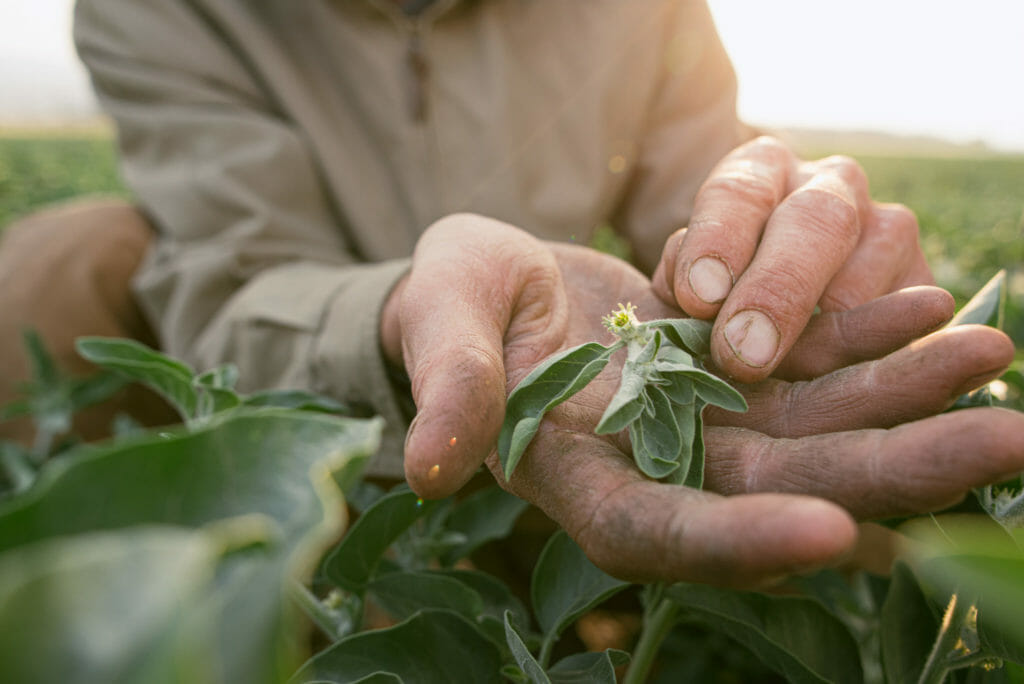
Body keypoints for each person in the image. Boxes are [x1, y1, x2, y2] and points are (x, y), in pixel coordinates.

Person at [1, 0, 1021, 587]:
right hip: (337, 378)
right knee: (61, 260)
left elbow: (703, 186)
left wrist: (779, 238)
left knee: (878, 497)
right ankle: (152, 582)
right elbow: (234, 271)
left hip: (560, 392)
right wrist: (403, 310)